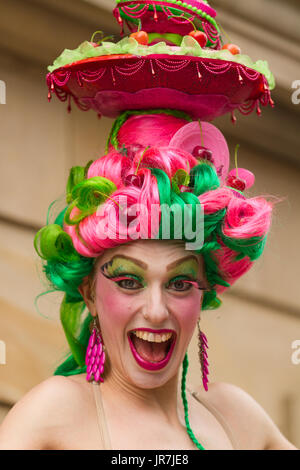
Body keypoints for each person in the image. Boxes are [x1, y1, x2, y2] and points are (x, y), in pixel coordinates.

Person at [0, 112, 297, 450]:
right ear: (89, 294)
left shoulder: (236, 418)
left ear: (204, 293)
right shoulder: (54, 413)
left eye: (180, 284)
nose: (156, 311)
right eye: (129, 281)